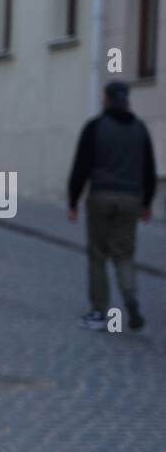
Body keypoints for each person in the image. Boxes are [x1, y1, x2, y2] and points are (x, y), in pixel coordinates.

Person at [67, 80, 157, 331]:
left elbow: (81, 166)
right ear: (127, 100)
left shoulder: (95, 127)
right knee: (125, 254)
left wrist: (73, 201)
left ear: (106, 99)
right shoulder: (140, 130)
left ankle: (99, 311)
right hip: (130, 200)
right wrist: (147, 202)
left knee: (97, 254)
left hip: (101, 197)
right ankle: (130, 297)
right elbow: (149, 168)